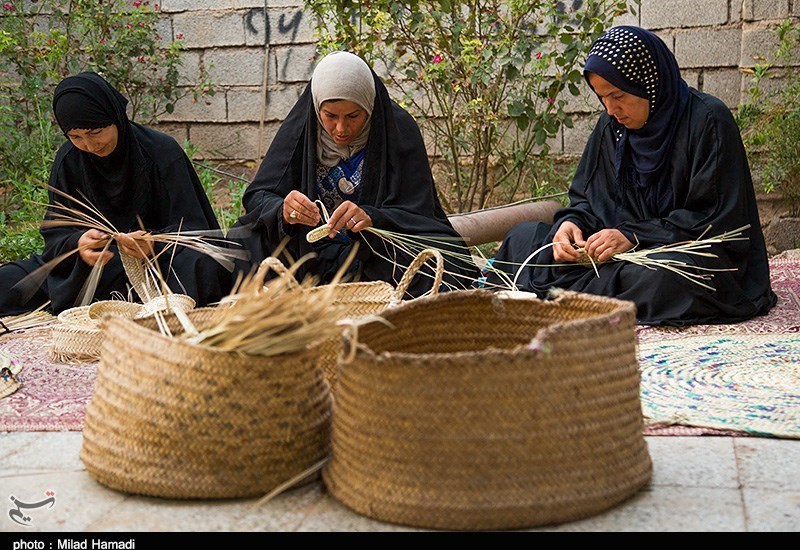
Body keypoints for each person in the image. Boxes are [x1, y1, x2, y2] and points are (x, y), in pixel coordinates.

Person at [485, 26, 777, 326]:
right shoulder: (612, 127)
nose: (611, 109)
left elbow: (716, 221)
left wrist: (633, 236)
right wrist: (570, 225)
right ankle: (584, 295)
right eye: (602, 98)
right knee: (523, 238)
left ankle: (567, 295)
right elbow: (588, 199)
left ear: (648, 84)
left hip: (675, 255)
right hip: (610, 260)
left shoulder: (709, 121)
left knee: (669, 280)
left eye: (619, 95)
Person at [230, 51, 479, 296]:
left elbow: (419, 213)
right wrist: (284, 210)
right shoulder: (302, 129)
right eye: (330, 116)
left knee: (445, 264)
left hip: (375, 254)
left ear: (369, 107)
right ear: (317, 109)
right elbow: (258, 196)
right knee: (238, 247)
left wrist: (372, 218)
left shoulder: (399, 130)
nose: (340, 129)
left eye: (353, 116)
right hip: (310, 252)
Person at [0, 71, 233, 317]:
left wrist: (154, 243)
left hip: (160, 265)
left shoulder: (161, 152)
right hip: (98, 266)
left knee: (204, 268)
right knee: (9, 282)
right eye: (76, 137)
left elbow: (197, 227)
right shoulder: (69, 160)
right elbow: (57, 233)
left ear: (115, 117)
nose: (89, 145)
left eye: (95, 132)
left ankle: (147, 306)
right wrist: (79, 244)